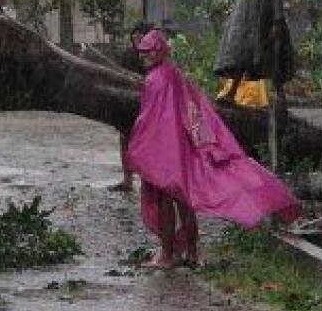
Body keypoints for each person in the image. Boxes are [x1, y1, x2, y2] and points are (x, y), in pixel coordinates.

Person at [125, 30, 300, 268]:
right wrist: (204, 144)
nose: (143, 57)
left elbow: (151, 119)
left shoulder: (155, 79)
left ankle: (167, 254)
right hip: (182, 149)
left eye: (147, 52)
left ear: (158, 52)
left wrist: (141, 148)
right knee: (183, 199)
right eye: (142, 52)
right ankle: (192, 251)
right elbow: (195, 109)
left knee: (166, 198)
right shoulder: (175, 75)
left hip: (164, 151)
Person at [214, 0, 294, 104]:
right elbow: (241, 1)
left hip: (264, 24)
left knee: (273, 62)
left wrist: (277, 22)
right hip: (247, 26)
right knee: (240, 59)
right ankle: (232, 93)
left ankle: (281, 97)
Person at [109, 21, 152, 192]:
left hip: (148, 106)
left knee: (146, 144)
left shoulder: (153, 56)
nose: (137, 38)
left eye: (141, 35)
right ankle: (127, 180)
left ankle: (148, 181)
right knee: (125, 140)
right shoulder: (128, 55)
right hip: (128, 105)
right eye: (135, 35)